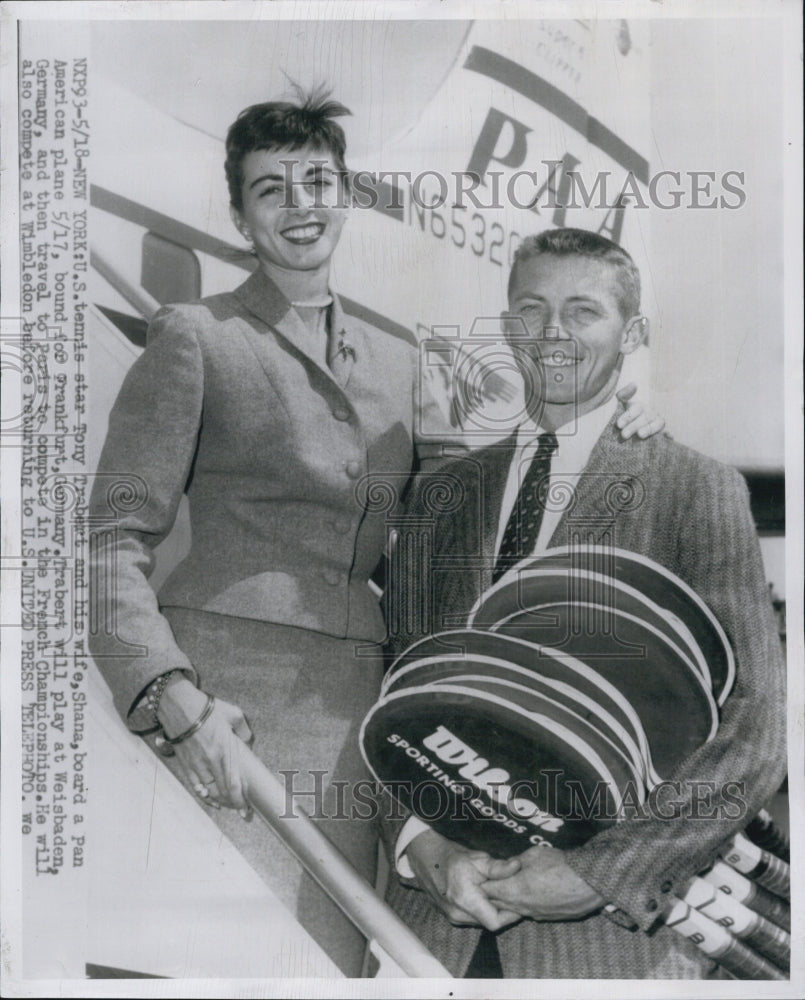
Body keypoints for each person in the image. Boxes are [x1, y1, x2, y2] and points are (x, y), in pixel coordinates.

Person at [88, 88, 662, 976]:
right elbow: (113, 537)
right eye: (270, 188)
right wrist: (173, 699)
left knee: (325, 964)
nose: (300, 204)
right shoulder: (195, 337)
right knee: (217, 963)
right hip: (225, 701)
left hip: (359, 718)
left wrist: (600, 409)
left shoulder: (402, 365)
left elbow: (465, 524)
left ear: (345, 196)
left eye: (317, 180)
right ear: (240, 216)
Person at [381, 228, 786, 979]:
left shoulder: (694, 488)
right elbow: (392, 690)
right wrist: (420, 847)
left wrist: (602, 871)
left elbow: (757, 729)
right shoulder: (441, 496)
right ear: (505, 326)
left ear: (630, 333)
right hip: (433, 933)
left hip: (603, 947)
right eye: (530, 309)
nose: (552, 333)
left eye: (582, 311)